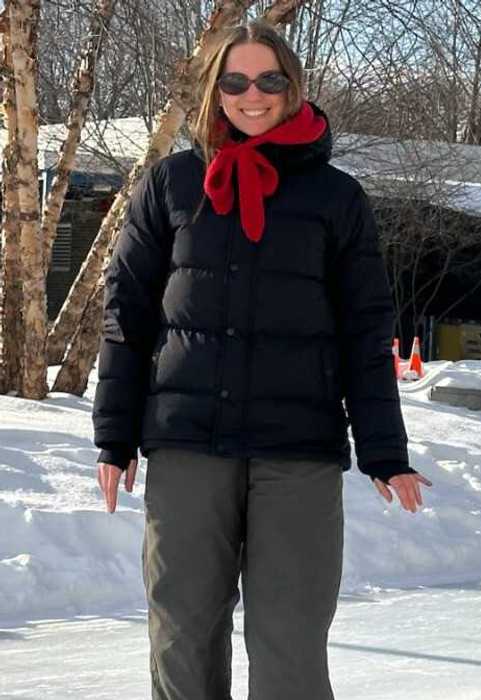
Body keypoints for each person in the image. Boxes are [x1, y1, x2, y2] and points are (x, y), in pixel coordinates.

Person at [92, 19, 431, 699]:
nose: (253, 95)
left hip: (296, 450)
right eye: (236, 81)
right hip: (187, 441)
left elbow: (367, 330)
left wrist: (385, 450)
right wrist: (113, 434)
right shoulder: (170, 184)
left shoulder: (337, 198)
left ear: (292, 87)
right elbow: (127, 311)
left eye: (269, 80)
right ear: (215, 91)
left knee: (291, 638)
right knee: (182, 631)